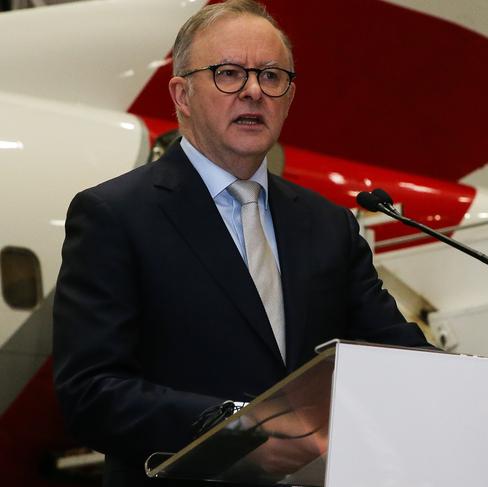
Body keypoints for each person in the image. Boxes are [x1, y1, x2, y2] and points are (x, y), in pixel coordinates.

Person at [53, 1, 430, 485]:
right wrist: (236, 429)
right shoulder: (116, 215)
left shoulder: (327, 223)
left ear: (289, 97)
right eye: (229, 73)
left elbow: (400, 358)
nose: (254, 91)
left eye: (272, 77)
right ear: (182, 94)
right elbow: (90, 394)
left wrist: (482, 391)